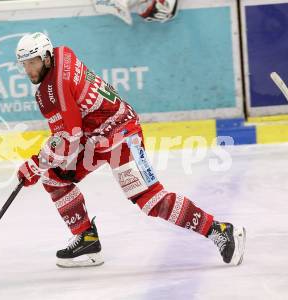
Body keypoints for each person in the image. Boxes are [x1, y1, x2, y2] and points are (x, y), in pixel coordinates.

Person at [15, 32, 246, 268]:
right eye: (25, 64)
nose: (29, 70)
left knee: (151, 200)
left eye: (33, 62)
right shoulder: (63, 53)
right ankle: (87, 239)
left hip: (122, 136)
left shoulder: (53, 92)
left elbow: (67, 139)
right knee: (55, 179)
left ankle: (220, 231)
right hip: (98, 137)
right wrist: (45, 162)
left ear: (45, 57)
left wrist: (36, 163)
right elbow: (71, 133)